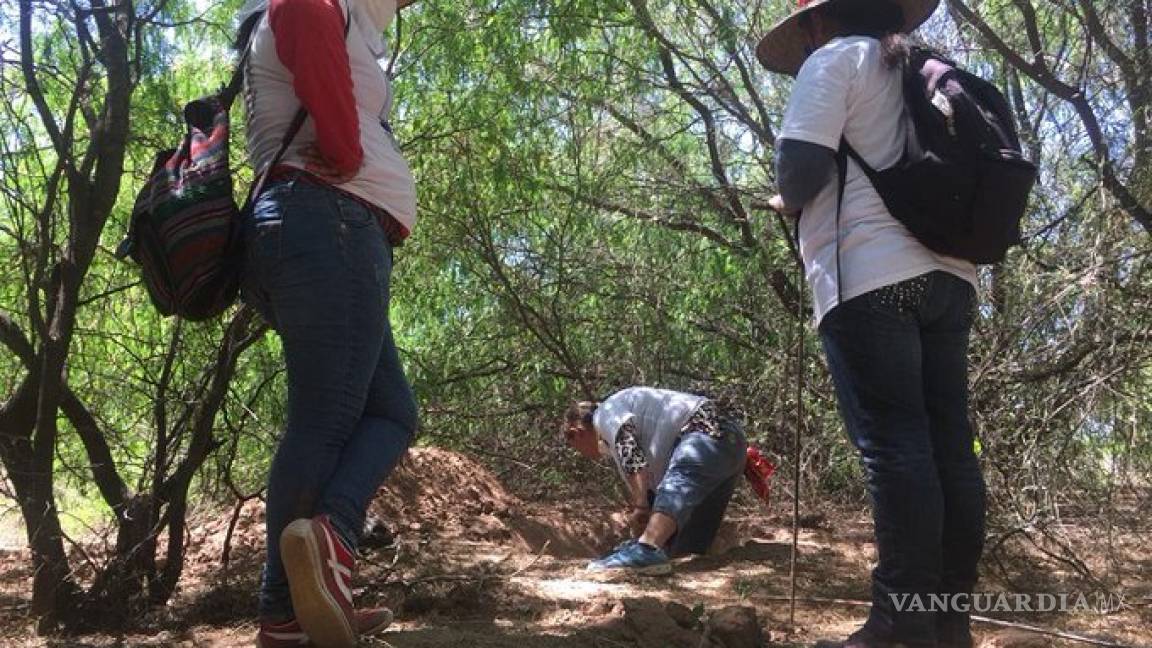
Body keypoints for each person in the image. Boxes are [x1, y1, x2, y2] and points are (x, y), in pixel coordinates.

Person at [758, 1, 986, 646]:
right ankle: (946, 626)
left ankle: (900, 626)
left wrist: (784, 199)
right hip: (951, 277)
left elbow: (800, 172)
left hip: (869, 274)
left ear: (815, 24)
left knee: (896, 449)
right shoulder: (920, 67)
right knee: (949, 450)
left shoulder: (835, 59)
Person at [235, 0, 419, 645]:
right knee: (327, 418)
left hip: (327, 229)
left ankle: (292, 604)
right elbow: (310, 36)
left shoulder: (351, 20)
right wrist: (345, 147)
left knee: (392, 411)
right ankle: (325, 550)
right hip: (327, 220)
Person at [562, 387, 748, 574]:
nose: (581, 454)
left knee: (676, 485)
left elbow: (631, 454)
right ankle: (653, 549)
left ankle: (647, 548)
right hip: (731, 443)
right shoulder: (634, 422)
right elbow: (654, 486)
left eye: (575, 447)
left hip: (705, 433)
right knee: (687, 546)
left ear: (576, 432)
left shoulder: (606, 414)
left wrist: (641, 506)